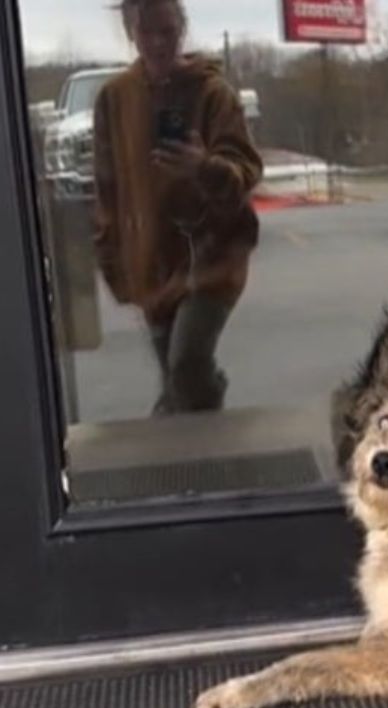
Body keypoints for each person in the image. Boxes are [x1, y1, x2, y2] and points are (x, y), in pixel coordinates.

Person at [92, 0, 261, 414]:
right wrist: (112, 258)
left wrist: (205, 168)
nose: (157, 43)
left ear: (181, 30)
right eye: (146, 32)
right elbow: (107, 187)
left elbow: (246, 169)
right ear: (131, 32)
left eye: (167, 31)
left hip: (212, 257)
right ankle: (183, 437)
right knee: (175, 378)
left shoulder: (213, 94)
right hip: (153, 262)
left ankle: (199, 422)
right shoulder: (114, 99)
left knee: (187, 365)